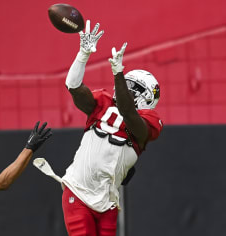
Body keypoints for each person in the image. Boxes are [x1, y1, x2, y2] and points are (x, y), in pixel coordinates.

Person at [61, 20, 163, 236]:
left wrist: (118, 74)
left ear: (146, 97)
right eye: (125, 82)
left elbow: (128, 113)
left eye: (131, 86)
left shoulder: (149, 122)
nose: (123, 87)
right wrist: (82, 55)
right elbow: (73, 87)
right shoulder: (103, 102)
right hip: (78, 192)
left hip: (107, 202)